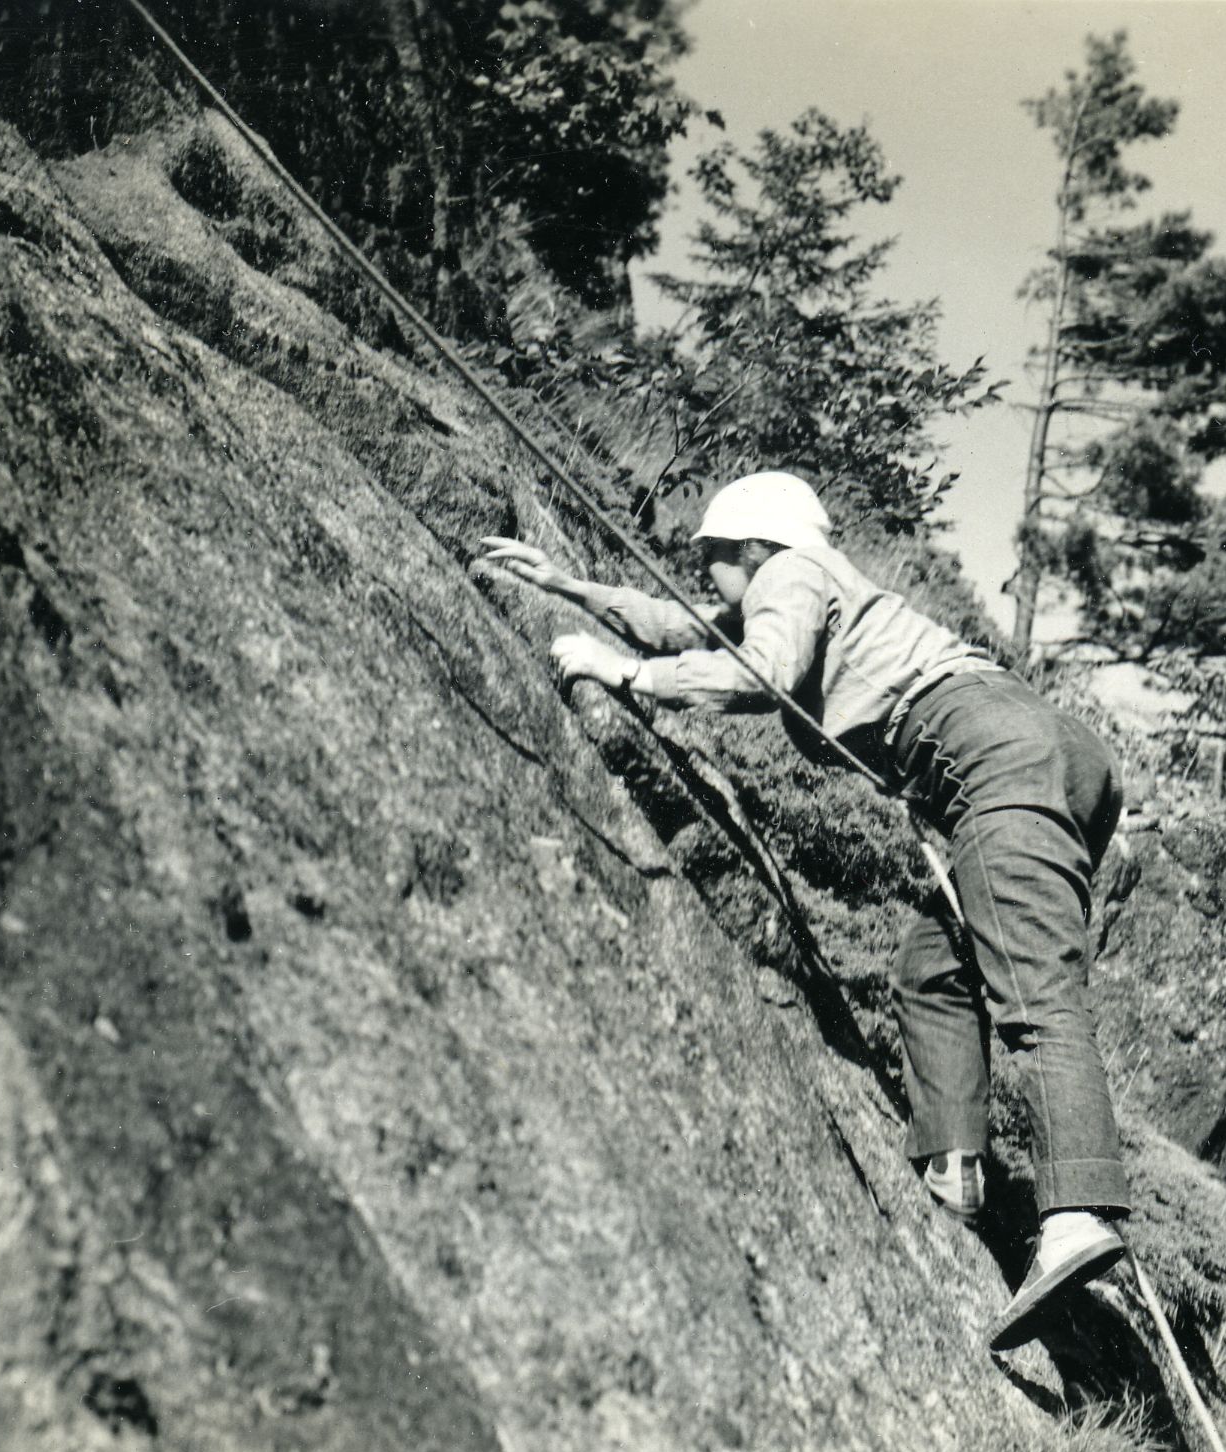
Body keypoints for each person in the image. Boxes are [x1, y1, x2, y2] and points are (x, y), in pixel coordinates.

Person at [478, 471, 1130, 1350]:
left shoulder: (793, 570)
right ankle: (956, 1166)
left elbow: (762, 668)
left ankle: (1078, 1214)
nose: (704, 574)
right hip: (1042, 754)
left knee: (1033, 987)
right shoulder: (813, 585)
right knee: (934, 971)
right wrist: (565, 584)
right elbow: (694, 625)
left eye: (711, 560)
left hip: (994, 757)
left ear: (753, 547)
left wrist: (628, 676)